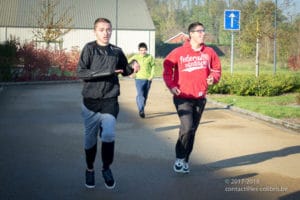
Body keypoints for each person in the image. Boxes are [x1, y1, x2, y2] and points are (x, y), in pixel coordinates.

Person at [77, 17, 139, 189]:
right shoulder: (89, 49)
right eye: (102, 29)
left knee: (109, 134)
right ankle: (90, 169)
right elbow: (81, 73)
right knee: (90, 140)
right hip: (90, 101)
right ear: (95, 31)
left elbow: (124, 70)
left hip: (110, 100)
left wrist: (133, 66)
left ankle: (106, 168)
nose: (106, 33)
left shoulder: (116, 51)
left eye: (108, 29)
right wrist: (108, 71)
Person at [163, 22, 221, 174]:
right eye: (199, 31)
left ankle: (185, 160)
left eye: (203, 31)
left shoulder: (209, 52)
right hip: (182, 96)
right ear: (191, 34)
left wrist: (213, 78)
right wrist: (171, 85)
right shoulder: (179, 52)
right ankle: (179, 157)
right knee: (187, 127)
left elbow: (216, 69)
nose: (203, 34)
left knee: (191, 130)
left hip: (200, 97)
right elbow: (167, 67)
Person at [128, 42, 155, 118]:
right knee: (140, 95)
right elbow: (127, 64)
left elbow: (153, 66)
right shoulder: (135, 57)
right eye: (141, 50)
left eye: (144, 50)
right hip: (138, 79)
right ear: (139, 50)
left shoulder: (150, 57)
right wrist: (131, 72)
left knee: (145, 96)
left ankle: (141, 107)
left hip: (148, 79)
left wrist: (151, 76)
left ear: (146, 50)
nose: (143, 51)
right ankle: (141, 110)